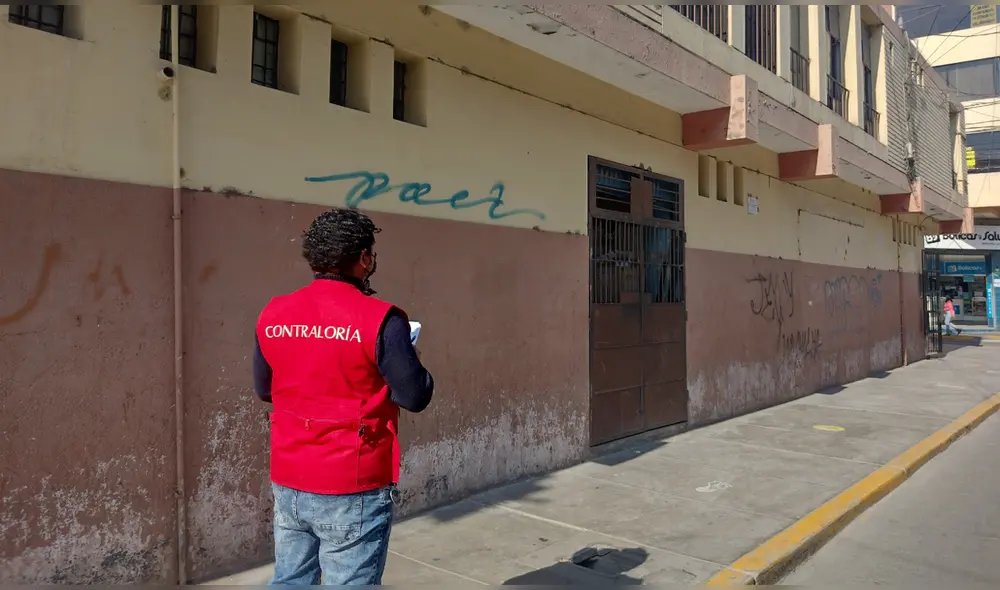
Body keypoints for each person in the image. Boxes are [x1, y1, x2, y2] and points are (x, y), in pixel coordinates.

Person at [252, 208, 434, 585]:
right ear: (364, 258)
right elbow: (415, 395)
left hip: (289, 478)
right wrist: (412, 356)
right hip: (352, 483)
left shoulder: (273, 312)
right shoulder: (383, 320)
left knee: (289, 580)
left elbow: (264, 389)